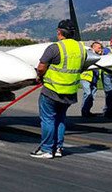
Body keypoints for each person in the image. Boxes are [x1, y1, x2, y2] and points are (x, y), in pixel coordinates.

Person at [32, 19, 86, 159]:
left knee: (48, 119)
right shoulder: (82, 49)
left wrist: (39, 77)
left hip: (52, 90)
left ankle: (46, 149)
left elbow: (41, 67)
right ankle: (58, 148)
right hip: (70, 92)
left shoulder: (54, 48)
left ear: (59, 32)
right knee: (60, 119)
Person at [79, 41, 103, 117]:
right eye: (99, 48)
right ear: (93, 47)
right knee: (88, 93)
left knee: (92, 95)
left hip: (94, 78)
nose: (100, 49)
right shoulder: (88, 53)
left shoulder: (98, 55)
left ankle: (87, 110)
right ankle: (84, 110)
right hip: (85, 77)